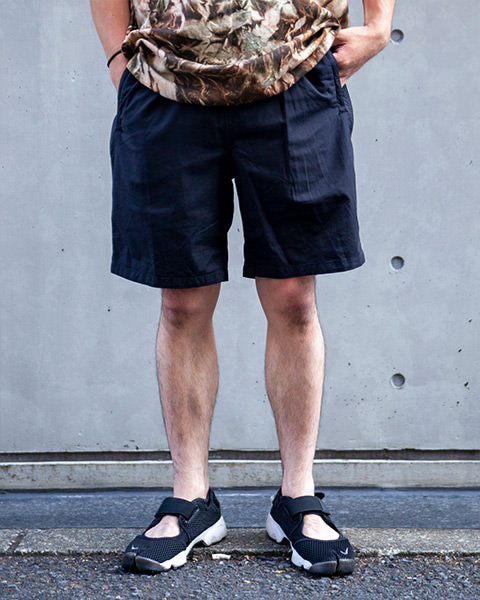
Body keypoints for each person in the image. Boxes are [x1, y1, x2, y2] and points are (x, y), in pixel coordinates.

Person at [90, 0, 395, 576]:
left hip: (293, 71)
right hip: (166, 80)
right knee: (182, 302)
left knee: (294, 297)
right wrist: (117, 60)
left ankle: (297, 496)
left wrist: (379, 26)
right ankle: (192, 499)